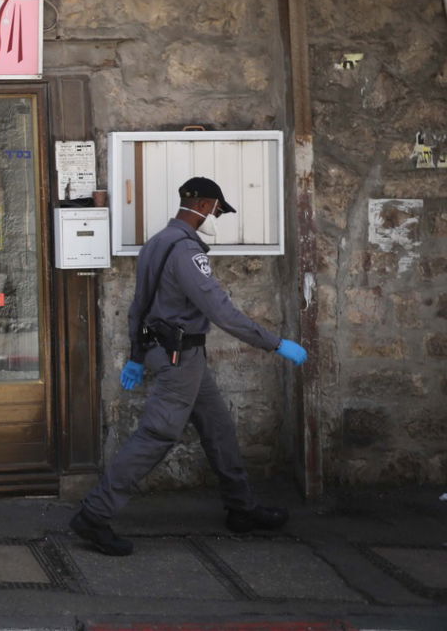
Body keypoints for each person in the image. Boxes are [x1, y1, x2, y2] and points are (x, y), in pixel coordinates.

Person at [69, 176, 309, 556]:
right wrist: (275, 343)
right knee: (157, 435)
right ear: (202, 206)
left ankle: (241, 508)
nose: (217, 217)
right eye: (217, 210)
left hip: (174, 354)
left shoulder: (156, 243)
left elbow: (139, 307)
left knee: (218, 427)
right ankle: (94, 515)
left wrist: (137, 355)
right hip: (179, 358)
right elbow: (221, 312)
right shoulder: (186, 251)